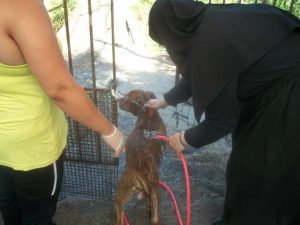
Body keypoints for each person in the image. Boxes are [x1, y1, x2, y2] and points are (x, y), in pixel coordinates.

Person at [145, 0, 300, 224]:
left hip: (290, 93)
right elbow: (199, 74)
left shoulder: (207, 44)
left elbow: (221, 122)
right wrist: (164, 101)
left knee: (260, 165)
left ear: (171, 32)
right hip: (277, 83)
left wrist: (183, 138)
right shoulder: (207, 22)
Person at [0, 0, 125, 225]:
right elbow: (60, 89)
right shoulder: (20, 6)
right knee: (38, 218)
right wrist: (110, 131)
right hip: (33, 149)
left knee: (11, 214)